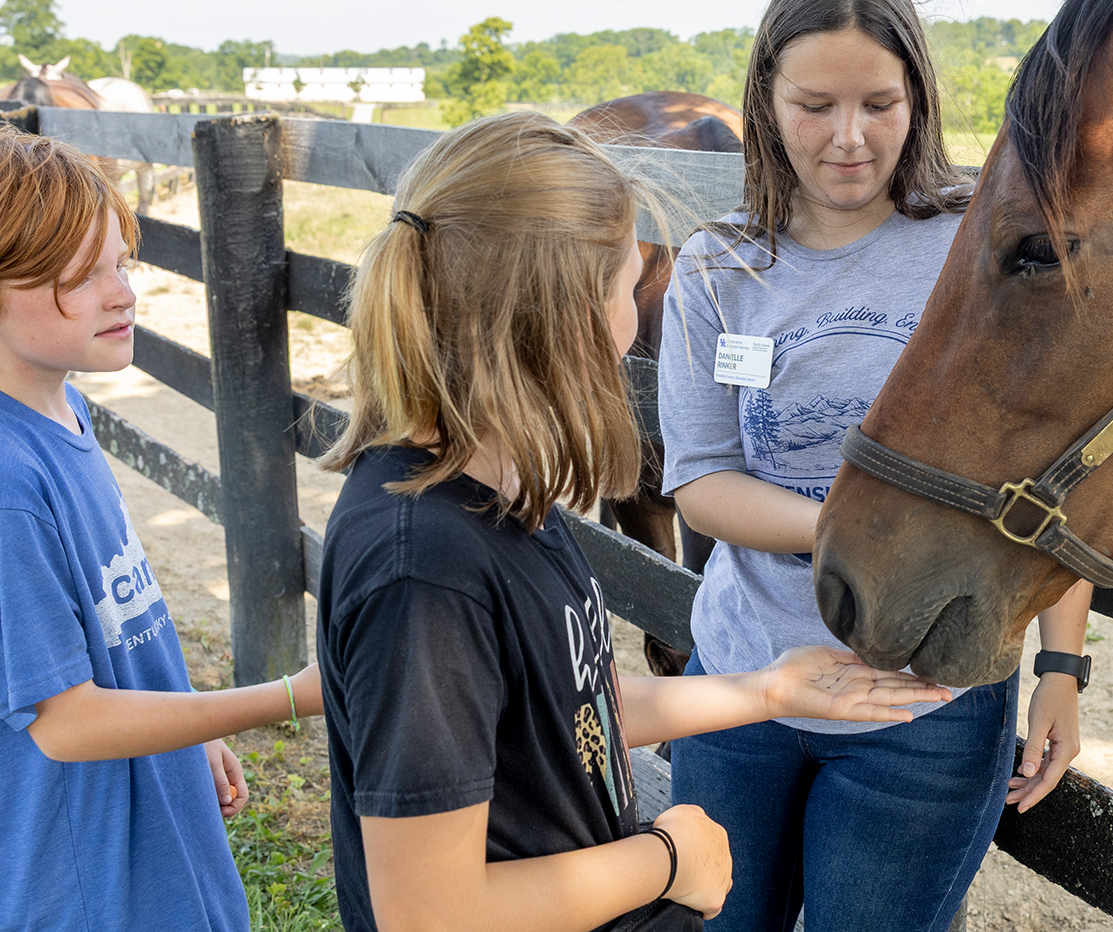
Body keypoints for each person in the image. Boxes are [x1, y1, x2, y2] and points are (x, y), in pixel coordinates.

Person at [314, 111, 952, 932]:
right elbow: (428, 913)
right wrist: (666, 859)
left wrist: (768, 689)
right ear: (575, 314)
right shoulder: (424, 570)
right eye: (631, 278)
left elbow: (562, 705)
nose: (639, 308)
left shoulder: (498, 497)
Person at [657, 0, 1096, 932]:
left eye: (879, 104)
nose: (850, 140)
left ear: (919, 100)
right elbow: (701, 482)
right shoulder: (718, 265)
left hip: (925, 713)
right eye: (814, 104)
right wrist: (865, 533)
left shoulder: (981, 249)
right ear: (765, 98)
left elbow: (1054, 478)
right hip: (741, 693)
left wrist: (1062, 668)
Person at [0, 125, 321, 932]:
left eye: (120, 261)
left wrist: (184, 718)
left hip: (140, 828)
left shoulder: (59, 406)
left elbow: (118, 603)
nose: (123, 292)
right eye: (80, 278)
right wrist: (285, 698)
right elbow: (68, 723)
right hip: (67, 879)